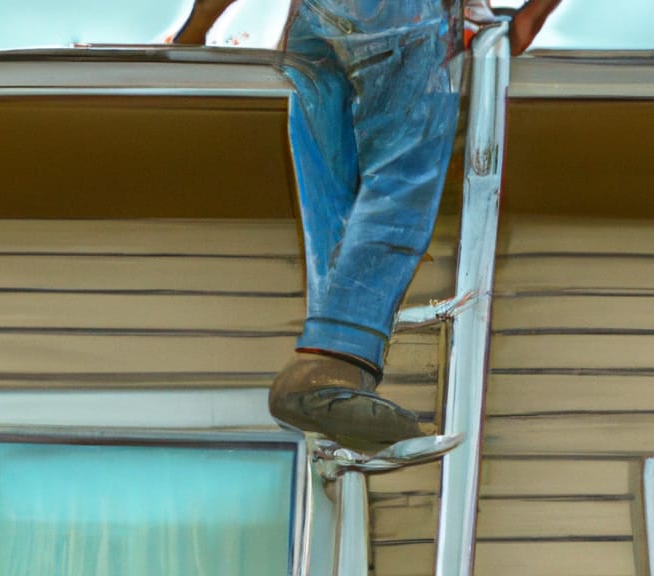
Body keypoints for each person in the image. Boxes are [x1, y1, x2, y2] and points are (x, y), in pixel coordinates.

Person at [175, 0, 563, 452]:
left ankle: (330, 370)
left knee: (331, 191)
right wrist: (529, 18)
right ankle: (331, 365)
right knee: (399, 177)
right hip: (403, 15)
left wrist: (196, 29)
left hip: (314, 23)